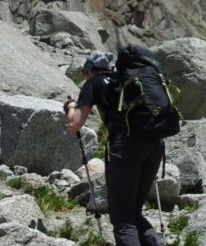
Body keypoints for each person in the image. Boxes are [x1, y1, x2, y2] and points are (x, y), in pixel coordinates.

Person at [64, 51, 164, 246]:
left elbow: (74, 125)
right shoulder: (127, 79)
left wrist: (70, 107)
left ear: (90, 71)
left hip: (126, 148)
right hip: (154, 144)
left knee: (123, 220)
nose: (85, 76)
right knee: (134, 213)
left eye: (85, 73)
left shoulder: (94, 83)